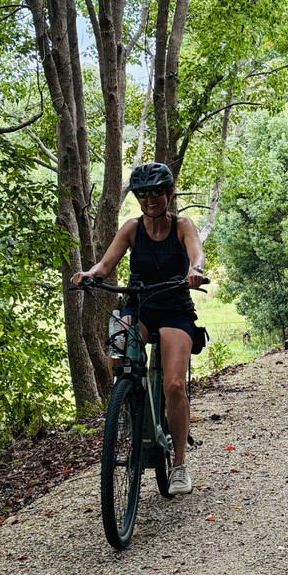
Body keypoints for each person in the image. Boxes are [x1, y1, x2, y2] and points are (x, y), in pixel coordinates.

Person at [72, 163, 205, 496]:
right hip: (140, 307)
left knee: (174, 384)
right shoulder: (131, 229)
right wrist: (90, 275)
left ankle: (178, 465)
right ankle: (129, 402)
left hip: (175, 310)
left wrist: (196, 271)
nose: (150, 199)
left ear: (168, 194)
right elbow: (105, 264)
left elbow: (196, 255)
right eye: (142, 194)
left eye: (156, 192)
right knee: (117, 349)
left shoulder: (182, 226)